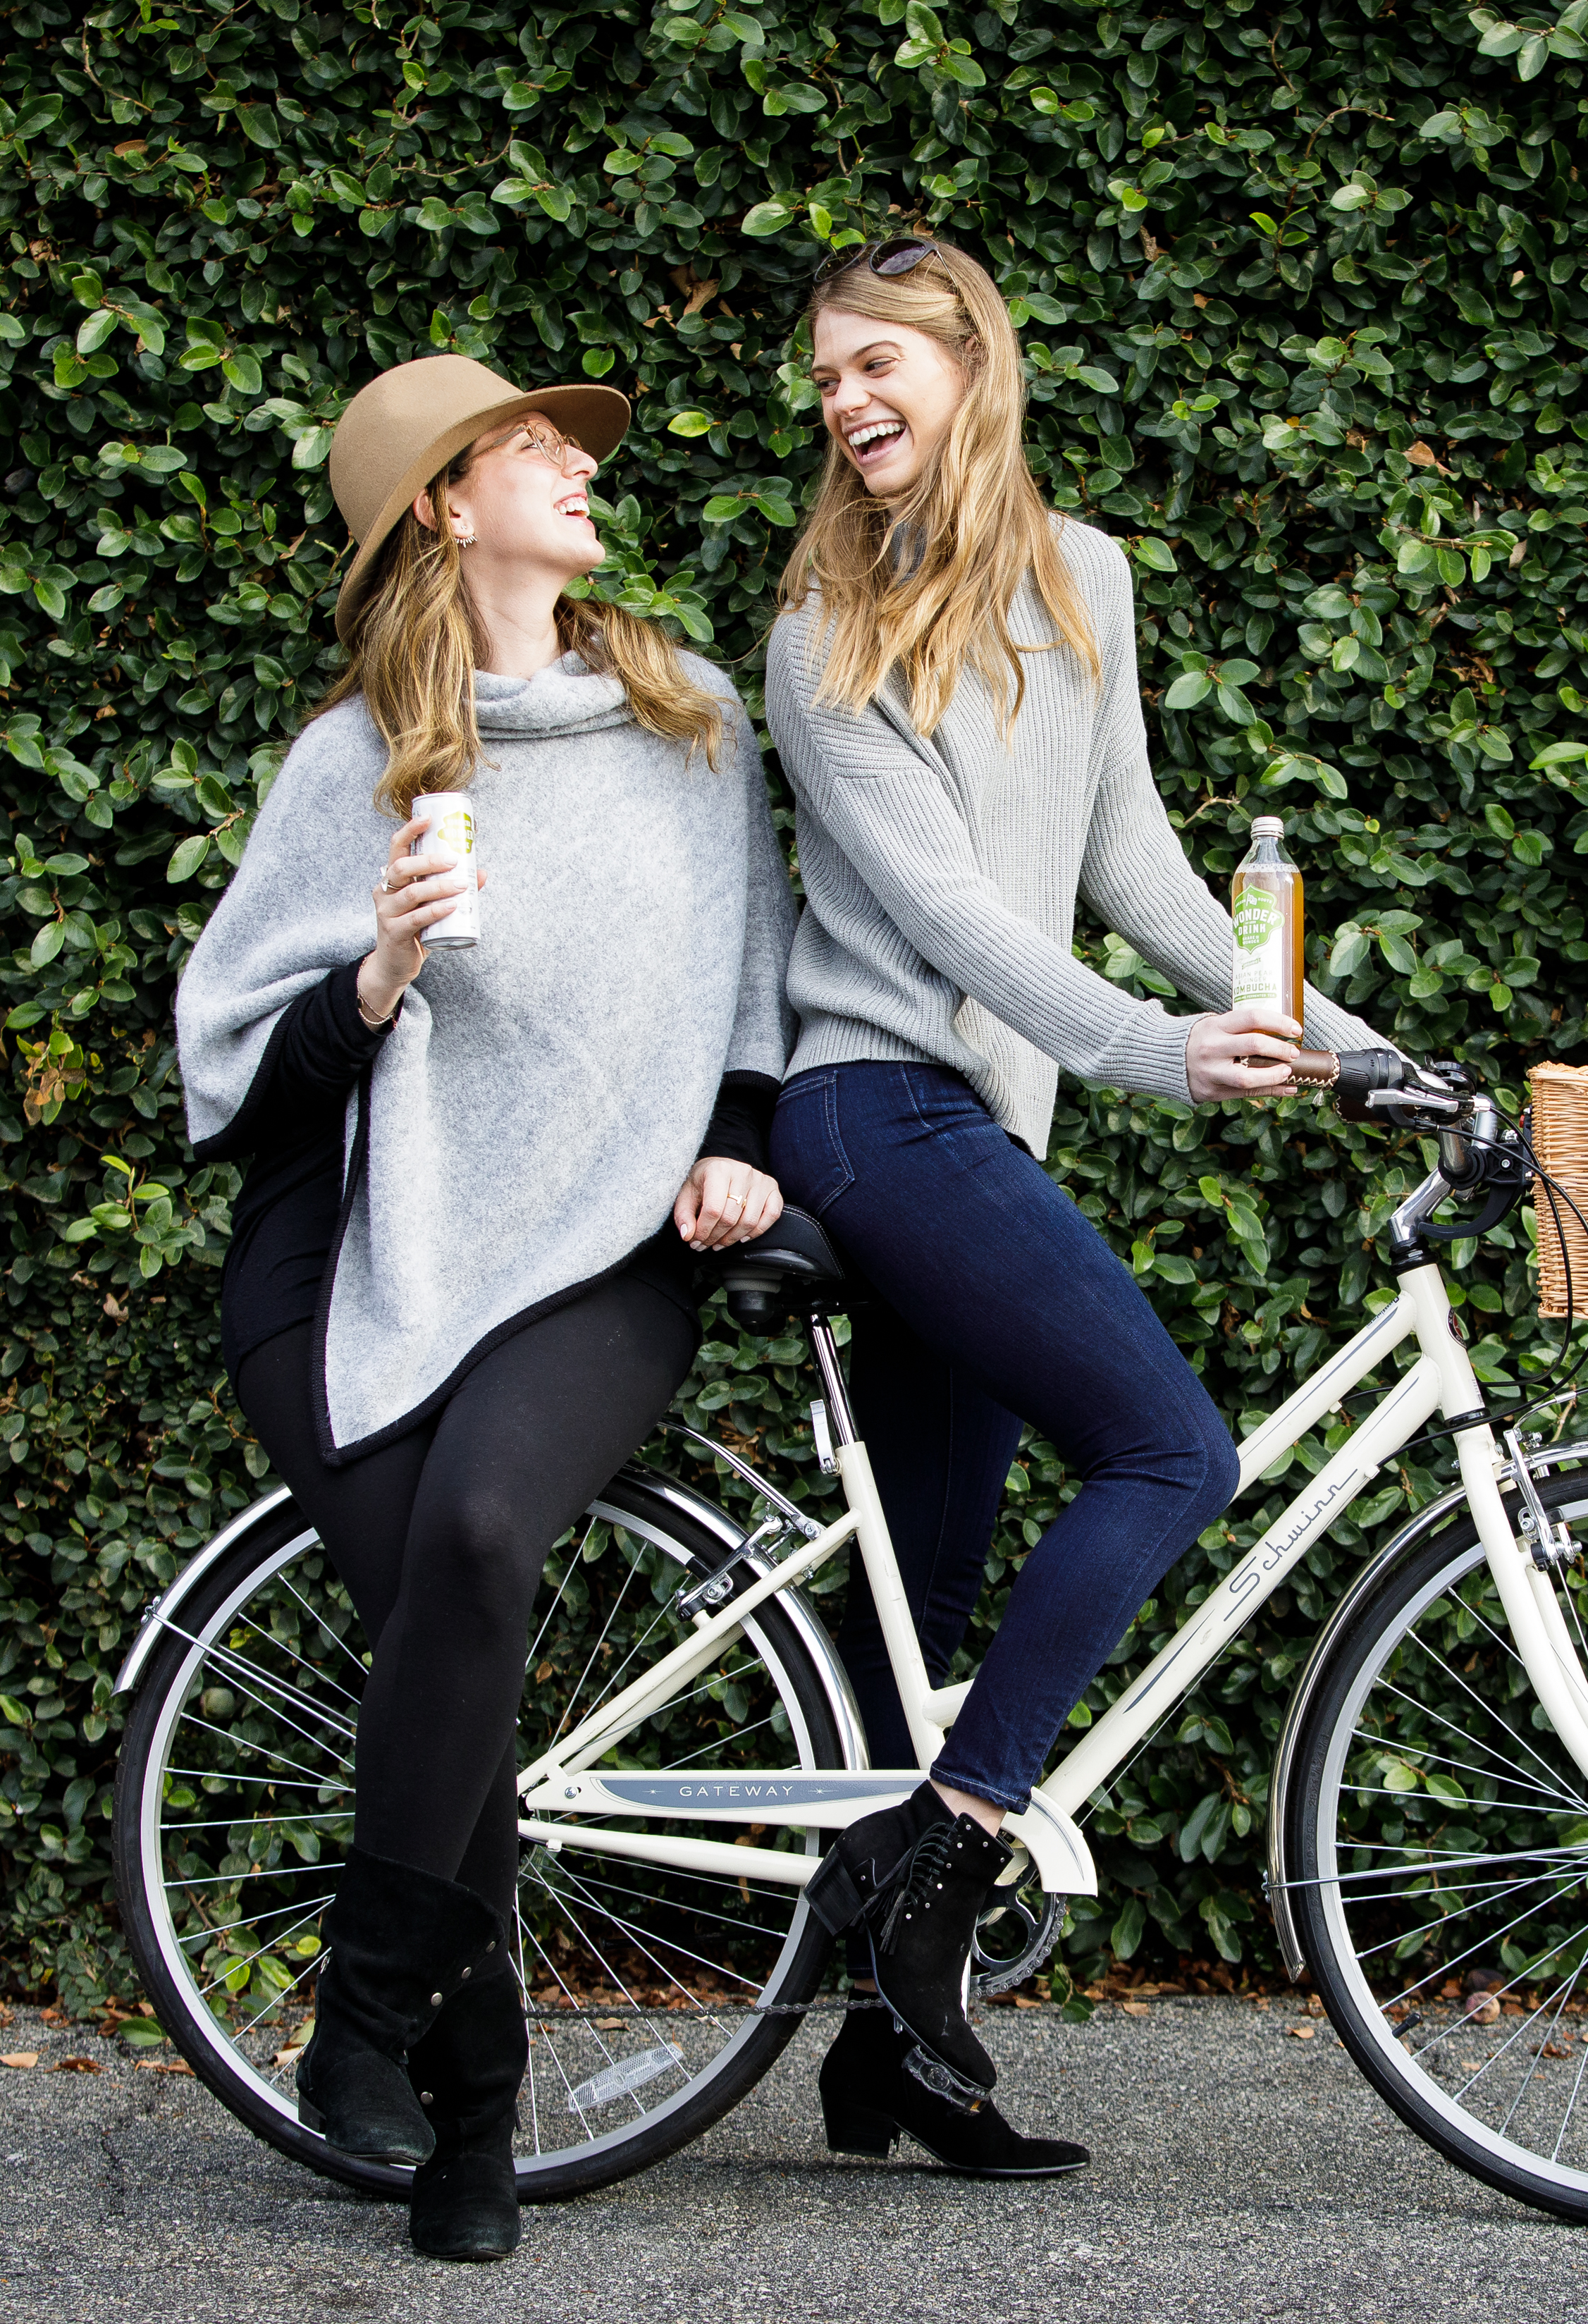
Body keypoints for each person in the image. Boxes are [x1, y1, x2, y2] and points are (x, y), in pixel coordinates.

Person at [761, 238, 1390, 2175]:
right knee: (1171, 1449)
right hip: (874, 1115)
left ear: (971, 361)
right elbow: (950, 917)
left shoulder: (1083, 579)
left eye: (879, 364)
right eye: (827, 382)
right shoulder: (819, 634)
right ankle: (951, 1857)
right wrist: (1150, 1054)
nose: (848, 402)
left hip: (982, 1135)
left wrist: (1370, 1056)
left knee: (928, 1608)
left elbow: (1144, 871)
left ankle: (889, 2067)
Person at [174, 356, 793, 2261]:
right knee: (459, 1652)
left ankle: (364, 2006)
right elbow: (234, 1092)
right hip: (335, 1266)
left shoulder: (686, 727)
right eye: (532, 448)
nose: (575, 467)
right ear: (445, 502)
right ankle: (479, 2117)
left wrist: (746, 1136)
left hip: (606, 1250)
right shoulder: (354, 759)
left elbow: (752, 984)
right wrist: (377, 971)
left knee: (483, 1533)